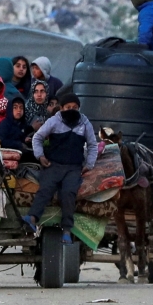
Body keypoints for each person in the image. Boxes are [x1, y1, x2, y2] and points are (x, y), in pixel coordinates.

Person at [23, 93, 98, 245]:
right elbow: (37, 138)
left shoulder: (85, 123)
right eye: (68, 107)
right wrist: (40, 156)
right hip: (53, 165)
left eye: (75, 108)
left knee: (69, 193)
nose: (71, 110)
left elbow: (92, 145)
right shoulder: (54, 121)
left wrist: (89, 165)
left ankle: (67, 230)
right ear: (62, 108)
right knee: (46, 188)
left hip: (74, 167)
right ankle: (32, 218)